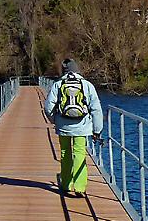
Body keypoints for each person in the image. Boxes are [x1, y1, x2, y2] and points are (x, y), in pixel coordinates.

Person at [44, 58, 103, 198]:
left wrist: (55, 121)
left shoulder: (58, 84)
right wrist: (97, 130)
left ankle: (66, 184)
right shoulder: (87, 85)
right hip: (82, 126)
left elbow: (48, 107)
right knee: (79, 153)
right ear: (77, 69)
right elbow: (96, 109)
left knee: (65, 153)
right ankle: (80, 187)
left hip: (63, 126)